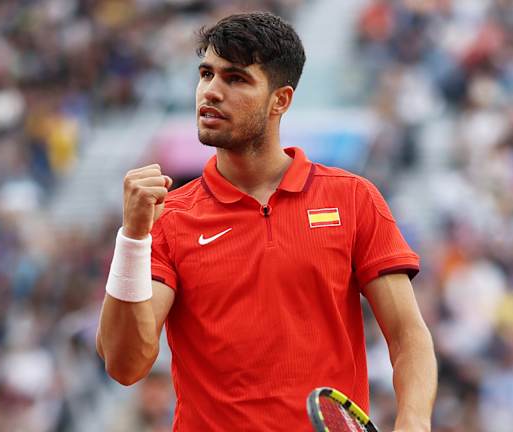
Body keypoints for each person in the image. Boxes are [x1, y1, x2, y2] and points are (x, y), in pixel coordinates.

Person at [96, 11, 437, 432]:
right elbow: (126, 364)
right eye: (206, 74)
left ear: (281, 100)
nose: (211, 91)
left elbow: (408, 337)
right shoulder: (169, 218)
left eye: (236, 79)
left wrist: (413, 421)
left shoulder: (353, 199)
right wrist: (132, 239)